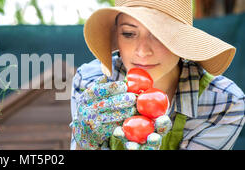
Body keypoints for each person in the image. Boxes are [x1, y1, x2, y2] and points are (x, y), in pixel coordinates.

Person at [70, 0, 245, 150]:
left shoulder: (225, 103)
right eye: (129, 33)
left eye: (160, 36)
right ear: (117, 35)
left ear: (182, 41)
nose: (142, 51)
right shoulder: (90, 82)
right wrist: (85, 143)